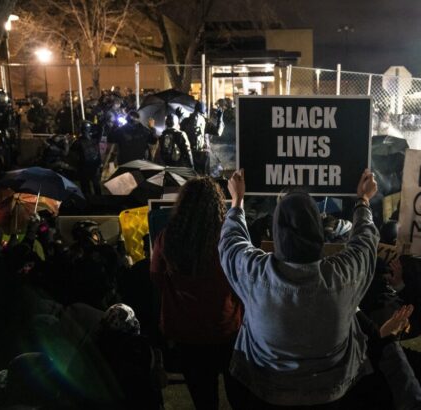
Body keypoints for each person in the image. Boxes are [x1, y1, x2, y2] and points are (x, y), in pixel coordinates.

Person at [218, 168, 379, 407]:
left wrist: (237, 202)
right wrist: (363, 202)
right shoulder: (344, 275)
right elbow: (365, 243)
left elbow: (231, 243)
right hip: (332, 392)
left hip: (266, 390)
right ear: (317, 230)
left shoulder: (254, 273)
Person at [150, 177, 243, 410]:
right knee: (239, 395)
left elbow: (156, 276)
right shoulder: (226, 238)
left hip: (186, 333)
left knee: (203, 399)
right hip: (227, 328)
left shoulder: (167, 237)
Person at [71, 120, 102, 195]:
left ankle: (96, 200)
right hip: (84, 166)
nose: (86, 131)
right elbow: (73, 153)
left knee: (95, 185)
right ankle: (90, 200)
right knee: (86, 186)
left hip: (93, 165)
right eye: (85, 129)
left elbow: (101, 129)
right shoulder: (79, 141)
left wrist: (92, 124)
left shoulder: (94, 139)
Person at [181, 102, 211, 174]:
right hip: (203, 151)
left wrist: (179, 118)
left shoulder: (186, 120)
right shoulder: (205, 120)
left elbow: (181, 133)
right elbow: (217, 132)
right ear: (203, 111)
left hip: (191, 151)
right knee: (204, 174)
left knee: (193, 173)